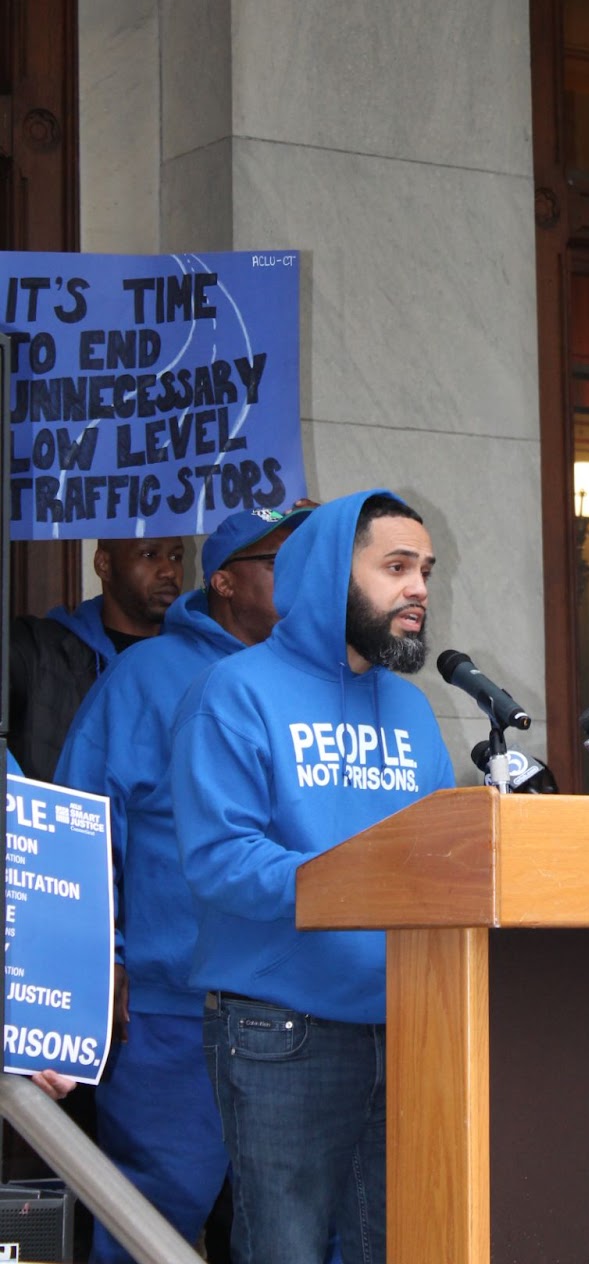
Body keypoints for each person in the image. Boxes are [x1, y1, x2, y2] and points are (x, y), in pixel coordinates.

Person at [171, 489, 455, 1264]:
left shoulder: (411, 710)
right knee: (285, 1250)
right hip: (279, 1032)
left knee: (402, 1246)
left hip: (408, 1026)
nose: (419, 589)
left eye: (424, 570)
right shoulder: (234, 693)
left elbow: (437, 859)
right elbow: (222, 862)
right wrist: (361, 880)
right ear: (334, 572)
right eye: (396, 567)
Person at [54, 507, 313, 1264]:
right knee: (148, 1224)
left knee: (305, 1227)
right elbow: (82, 824)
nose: (300, 579)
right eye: (278, 562)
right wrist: (101, 956)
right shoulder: (145, 675)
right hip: (174, 1010)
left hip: (302, 1009)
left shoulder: (325, 681)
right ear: (225, 582)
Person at [9, 536, 185, 780]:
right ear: (103, 563)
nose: (169, 571)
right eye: (149, 555)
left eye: (177, 557)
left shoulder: (194, 660)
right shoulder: (38, 648)